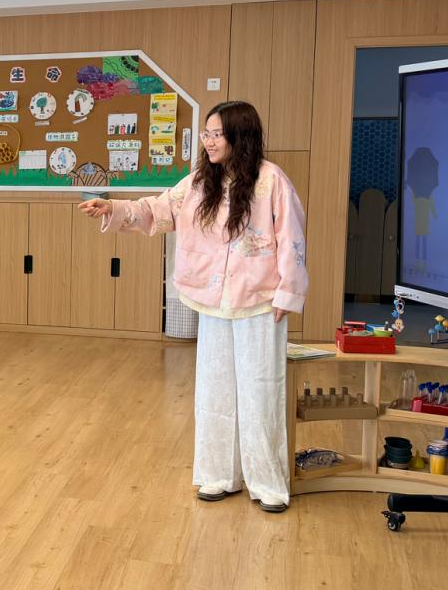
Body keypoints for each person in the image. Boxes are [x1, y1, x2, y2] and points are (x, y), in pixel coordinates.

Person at [80, 99, 308, 512]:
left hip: (260, 302)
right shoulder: (199, 183)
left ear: (240, 136)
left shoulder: (272, 181)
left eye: (217, 134)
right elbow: (157, 209)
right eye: (207, 134)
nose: (209, 141)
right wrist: (113, 207)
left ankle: (267, 484)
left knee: (260, 393)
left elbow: (292, 238)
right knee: (214, 392)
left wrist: (288, 292)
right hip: (213, 300)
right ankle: (218, 475)